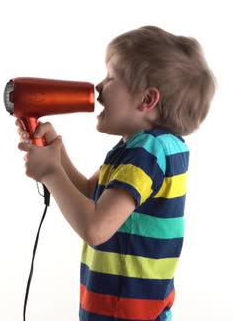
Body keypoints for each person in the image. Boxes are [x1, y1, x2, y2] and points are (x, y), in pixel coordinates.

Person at [16, 25, 216, 321]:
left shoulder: (147, 152)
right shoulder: (144, 149)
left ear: (147, 100)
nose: (98, 86)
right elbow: (90, 195)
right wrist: (56, 153)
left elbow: (96, 228)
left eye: (111, 78)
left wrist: (51, 174)